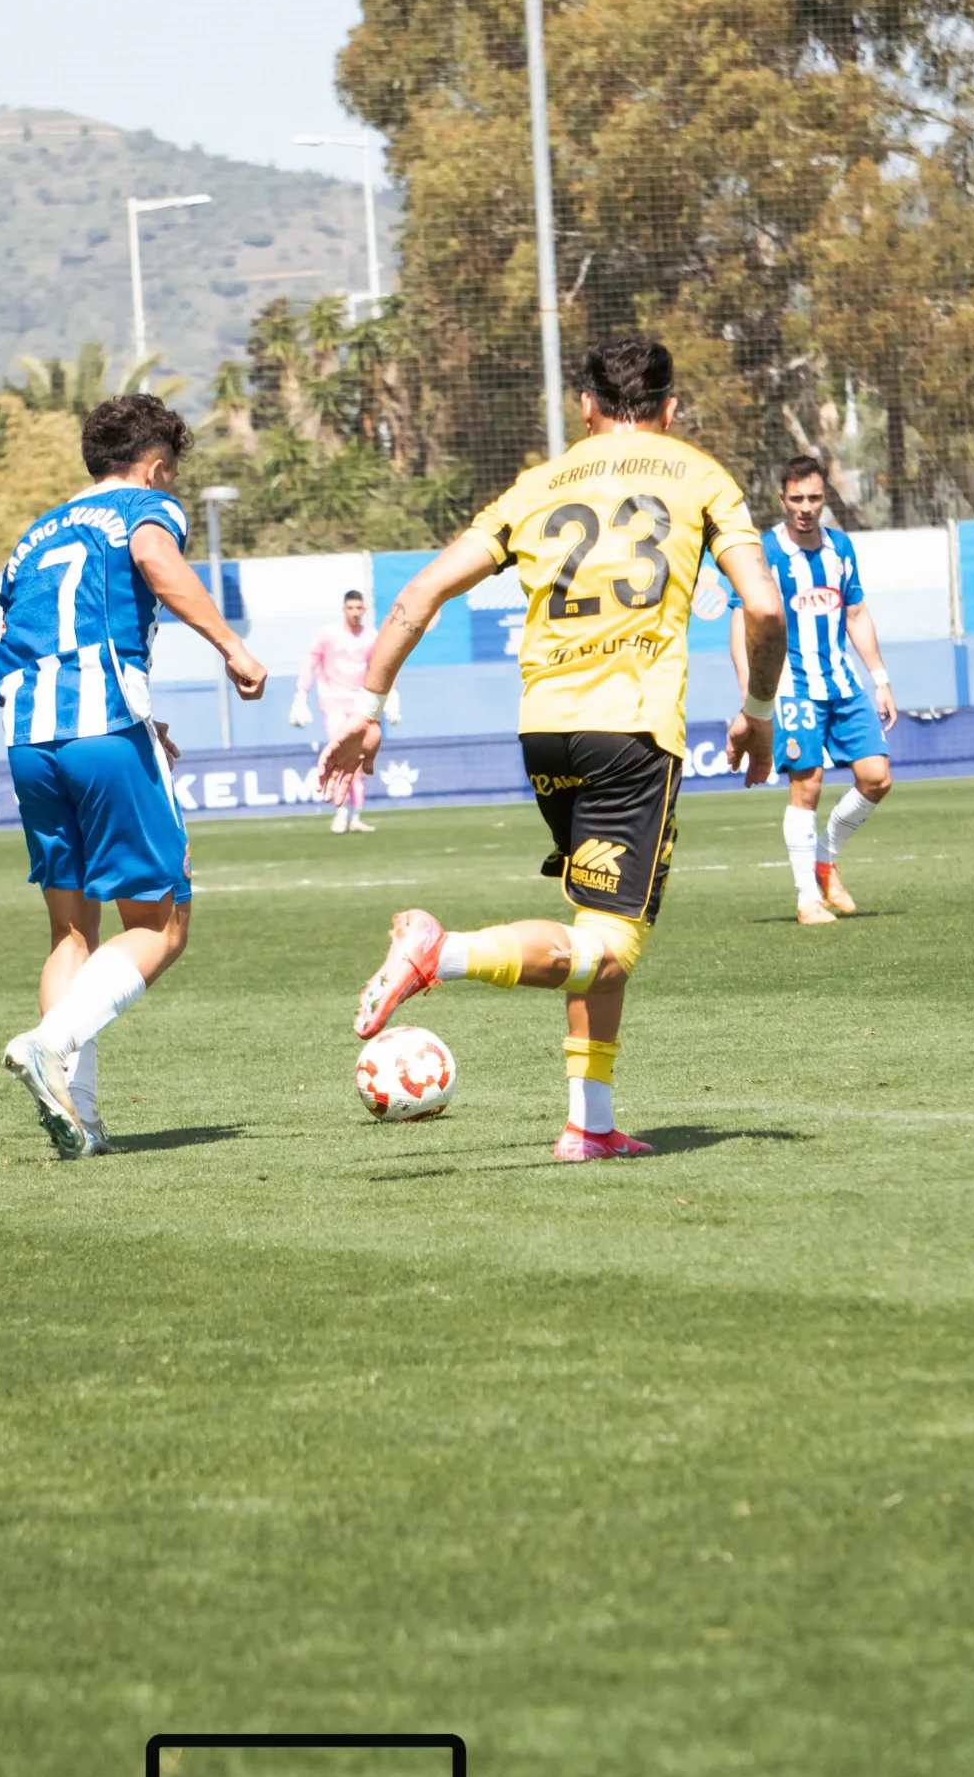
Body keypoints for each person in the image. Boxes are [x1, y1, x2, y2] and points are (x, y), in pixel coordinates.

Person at [319, 336, 786, 1160]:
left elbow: (421, 593)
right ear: (670, 409)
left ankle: (590, 1125)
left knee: (594, 933)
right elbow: (765, 609)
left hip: (546, 730)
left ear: (586, 407)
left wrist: (368, 708)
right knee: (606, 945)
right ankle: (443, 953)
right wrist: (757, 709)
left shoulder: (537, 487)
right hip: (633, 731)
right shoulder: (699, 476)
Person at [0, 392, 266, 1157]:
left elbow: (47, 635)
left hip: (30, 739)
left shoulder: (34, 534)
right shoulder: (144, 507)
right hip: (105, 731)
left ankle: (78, 1119)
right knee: (160, 925)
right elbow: (152, 558)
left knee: (70, 929)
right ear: (154, 467)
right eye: (171, 475)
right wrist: (233, 648)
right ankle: (51, 1043)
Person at [727, 455, 895, 925]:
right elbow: (742, 623)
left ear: (824, 498)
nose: (805, 507)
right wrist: (753, 698)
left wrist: (879, 679)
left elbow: (856, 614)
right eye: (796, 498)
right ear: (782, 499)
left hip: (843, 683)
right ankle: (807, 899)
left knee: (877, 777)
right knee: (809, 785)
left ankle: (825, 857)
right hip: (793, 687)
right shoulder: (765, 553)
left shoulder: (841, 547)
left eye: (814, 497)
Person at [291, 588, 399, 833]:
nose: (354, 613)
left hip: (361, 704)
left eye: (359, 608)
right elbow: (311, 663)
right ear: (344, 609)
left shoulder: (371, 637)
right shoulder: (328, 635)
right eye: (350, 608)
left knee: (359, 762)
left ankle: (356, 816)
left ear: (364, 610)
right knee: (340, 752)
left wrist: (392, 695)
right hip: (333, 701)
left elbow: (383, 667)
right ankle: (340, 812)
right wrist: (300, 695)